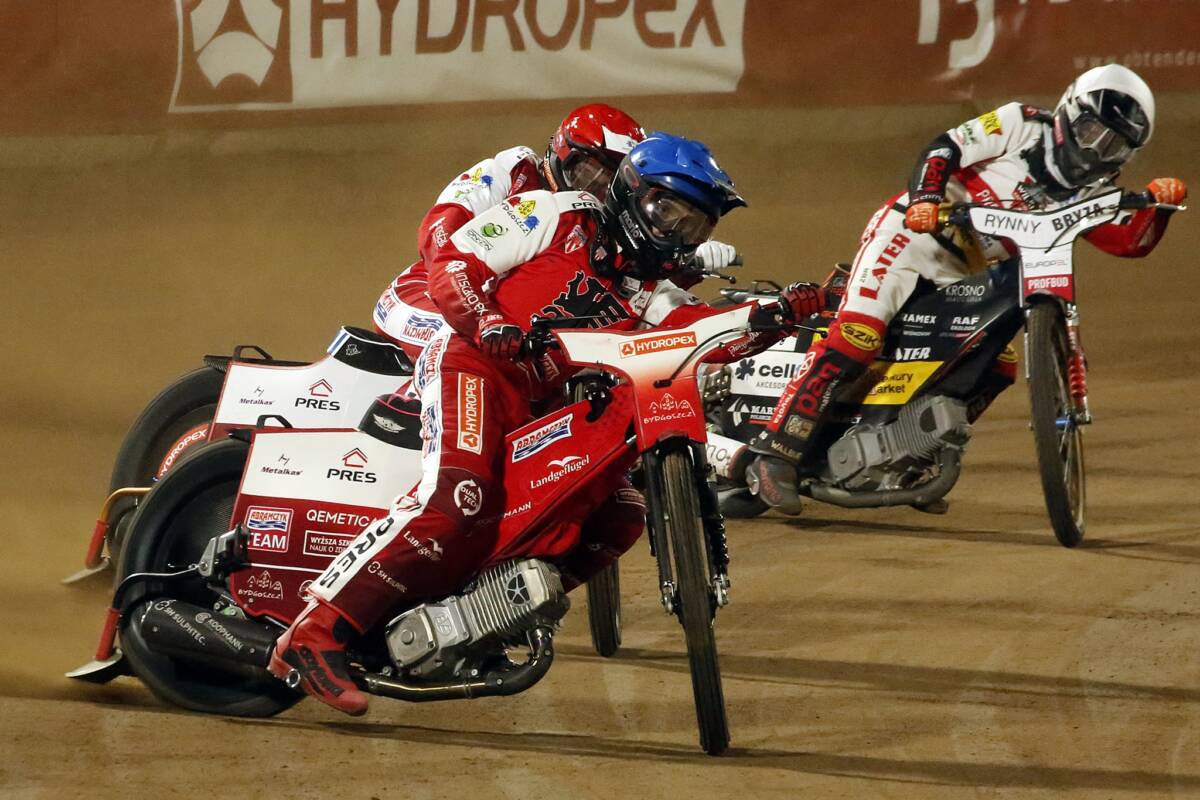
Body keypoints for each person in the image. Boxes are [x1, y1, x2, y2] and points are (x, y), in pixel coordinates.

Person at [268, 133, 826, 715]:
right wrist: (486, 320)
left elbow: (702, 338)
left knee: (620, 515)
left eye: (694, 226)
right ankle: (314, 631)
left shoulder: (652, 293)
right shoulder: (554, 213)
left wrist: (781, 314)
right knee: (456, 496)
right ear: (630, 191)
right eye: (667, 211)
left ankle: (484, 613)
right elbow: (454, 262)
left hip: (542, 399)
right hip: (471, 364)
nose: (676, 233)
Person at [745, 64, 1188, 514]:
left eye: (1113, 144)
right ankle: (775, 453)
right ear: (1070, 112)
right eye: (1092, 130)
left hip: (965, 272)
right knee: (859, 335)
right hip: (910, 238)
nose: (1095, 148)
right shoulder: (1020, 123)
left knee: (998, 364)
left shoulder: (1095, 190)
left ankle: (911, 453)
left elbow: (1128, 242)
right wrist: (926, 198)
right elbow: (945, 149)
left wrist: (1159, 210)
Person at [373, 103, 740, 359]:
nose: (595, 188)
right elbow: (438, 232)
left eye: (608, 180)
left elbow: (625, 289)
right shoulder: (513, 170)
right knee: (464, 346)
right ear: (561, 150)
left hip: (513, 325)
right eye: (587, 172)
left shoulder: (595, 228)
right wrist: (474, 298)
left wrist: (683, 265)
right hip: (429, 295)